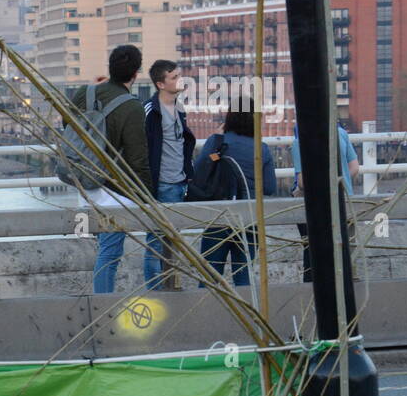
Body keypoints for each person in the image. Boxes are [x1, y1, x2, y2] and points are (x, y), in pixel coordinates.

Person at [68, 45, 153, 294]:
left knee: (99, 244)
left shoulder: (86, 92)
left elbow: (67, 125)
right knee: (110, 251)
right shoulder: (133, 107)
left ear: (110, 67)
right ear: (136, 73)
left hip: (84, 180)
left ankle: (100, 298)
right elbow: (138, 159)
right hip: (113, 191)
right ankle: (102, 302)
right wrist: (148, 195)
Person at [196, 94, 277, 288]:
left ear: (230, 116)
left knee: (210, 276)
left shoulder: (216, 143)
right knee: (243, 276)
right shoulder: (261, 148)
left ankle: (205, 316)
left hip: (218, 216)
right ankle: (245, 316)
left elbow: (198, 170)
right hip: (248, 219)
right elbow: (269, 187)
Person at [142, 59, 195, 290]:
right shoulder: (150, 111)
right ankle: (155, 290)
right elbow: (141, 149)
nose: (179, 80)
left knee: (174, 241)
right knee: (155, 241)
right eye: (174, 77)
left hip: (180, 182)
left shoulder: (179, 108)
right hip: (160, 183)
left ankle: (171, 286)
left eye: (179, 75)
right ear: (160, 84)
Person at [291, 124, 360, 283]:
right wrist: (337, 182)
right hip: (345, 199)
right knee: (348, 253)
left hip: (318, 206)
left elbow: (302, 182)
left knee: (318, 255)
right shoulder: (341, 133)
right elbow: (355, 168)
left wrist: (323, 185)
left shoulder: (299, 142)